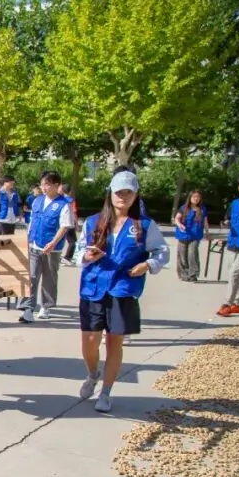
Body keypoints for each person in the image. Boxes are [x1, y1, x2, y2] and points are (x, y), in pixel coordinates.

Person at [78, 171, 170, 412]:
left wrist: (147, 264)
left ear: (135, 195)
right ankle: (92, 374)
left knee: (114, 342)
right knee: (89, 341)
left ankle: (106, 392)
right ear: (110, 193)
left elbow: (162, 252)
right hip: (93, 287)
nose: (123, 197)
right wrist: (87, 256)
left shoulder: (144, 225)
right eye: (119, 192)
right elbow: (79, 251)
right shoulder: (93, 222)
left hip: (123, 289)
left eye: (128, 192)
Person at [20, 171, 74, 323]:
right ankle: (28, 308)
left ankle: (46, 306)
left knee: (49, 278)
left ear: (57, 185)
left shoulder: (64, 204)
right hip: (34, 244)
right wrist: (27, 238)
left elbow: (64, 226)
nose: (44, 187)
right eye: (42, 184)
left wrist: (53, 243)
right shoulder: (37, 200)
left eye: (47, 184)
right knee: (32, 276)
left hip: (52, 248)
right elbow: (32, 221)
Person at [217, 172, 239, 316]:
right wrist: (225, 225)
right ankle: (237, 303)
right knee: (232, 274)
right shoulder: (235, 204)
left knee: (235, 273)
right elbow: (228, 219)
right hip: (233, 243)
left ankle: (227, 304)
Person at [174, 189, 210, 282]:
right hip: (183, 234)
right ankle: (184, 274)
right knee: (182, 254)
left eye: (198, 197)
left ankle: (193, 274)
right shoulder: (184, 208)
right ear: (190, 198)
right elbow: (177, 219)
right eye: (194, 197)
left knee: (192, 254)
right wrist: (180, 225)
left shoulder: (202, 209)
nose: (196, 198)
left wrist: (207, 232)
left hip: (196, 235)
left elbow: (205, 221)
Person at [59, 182, 80, 266]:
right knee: (73, 242)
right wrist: (77, 224)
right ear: (70, 191)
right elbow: (74, 213)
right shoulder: (71, 200)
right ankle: (67, 258)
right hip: (69, 223)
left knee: (60, 239)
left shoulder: (60, 199)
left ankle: (57, 255)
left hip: (61, 223)